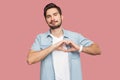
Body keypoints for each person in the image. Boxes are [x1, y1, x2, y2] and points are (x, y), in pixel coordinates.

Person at [27, 3, 101, 80]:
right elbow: (30, 59)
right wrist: (53, 46)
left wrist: (79, 48)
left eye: (55, 14)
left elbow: (97, 49)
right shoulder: (40, 38)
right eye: (49, 16)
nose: (52, 18)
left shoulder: (75, 36)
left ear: (61, 17)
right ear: (46, 20)